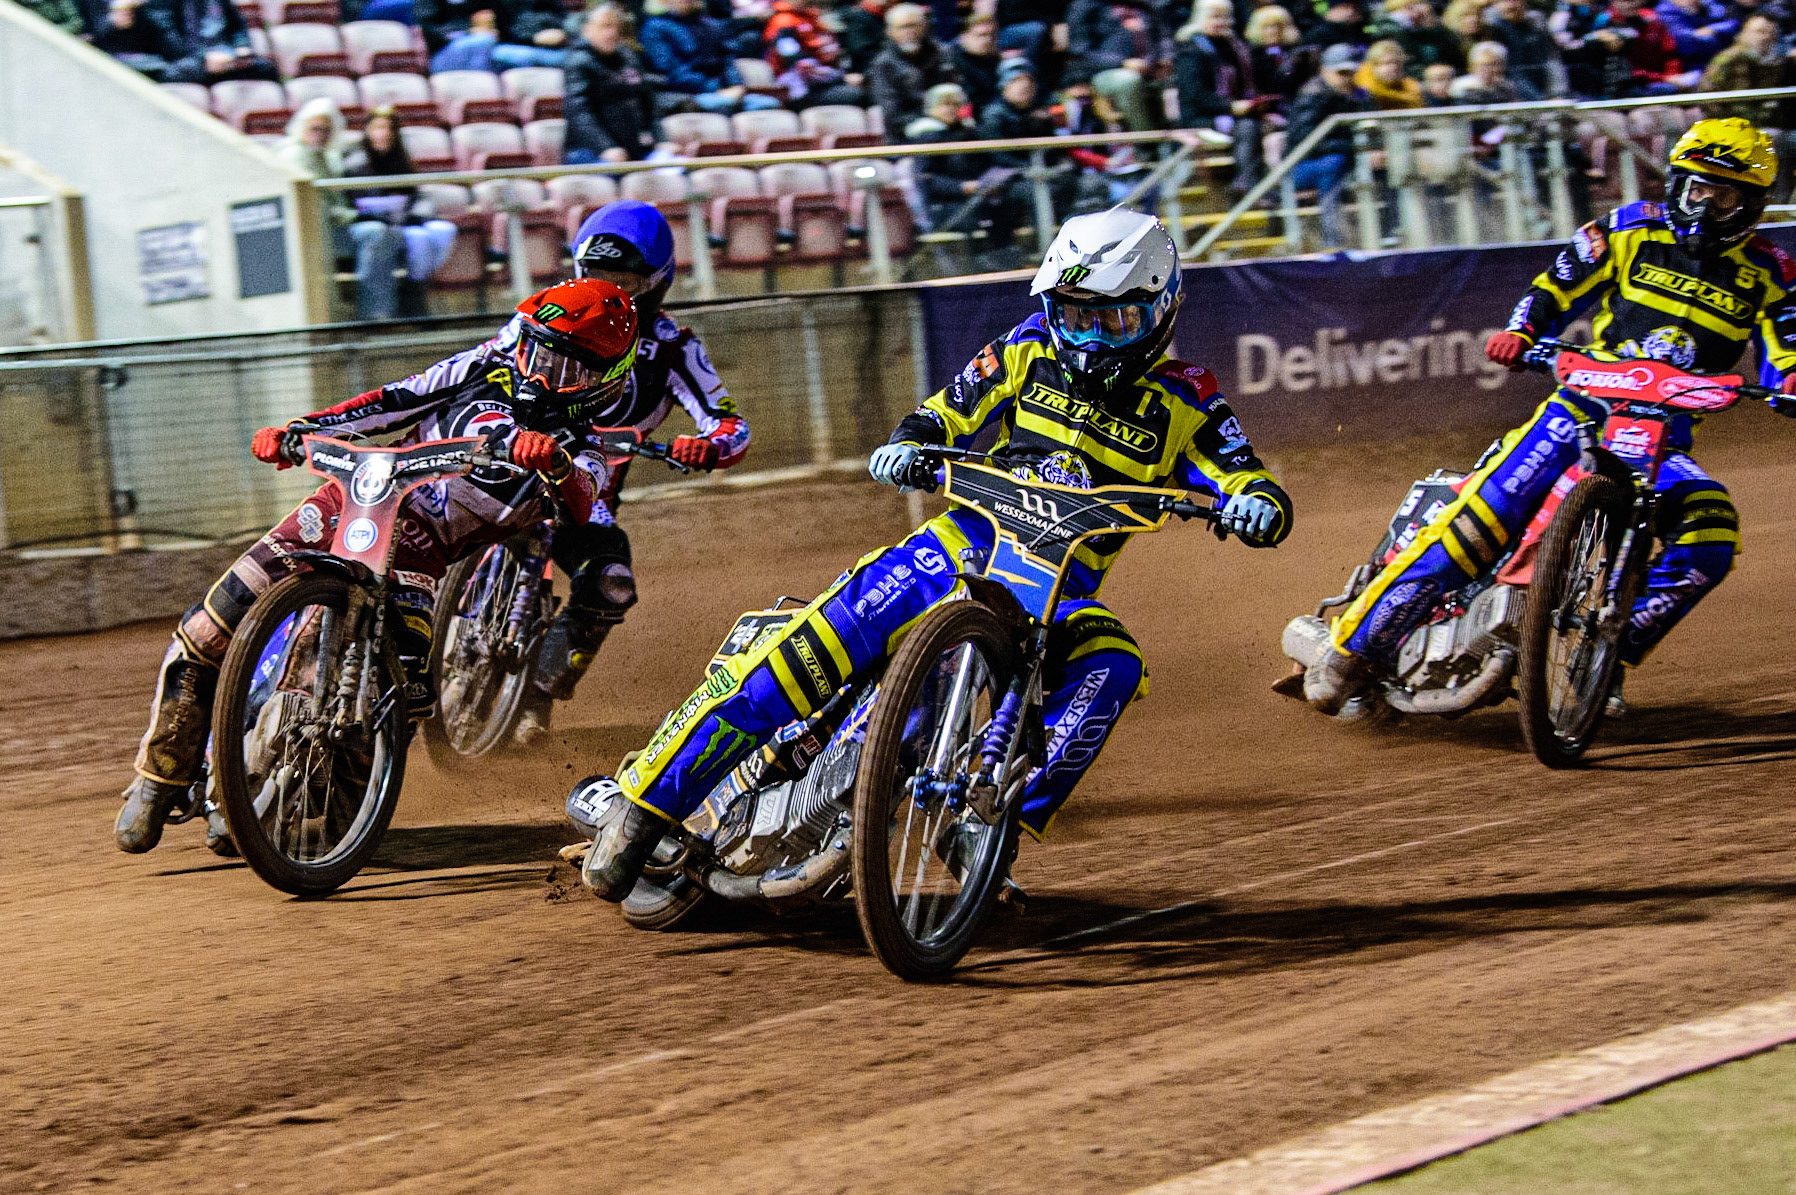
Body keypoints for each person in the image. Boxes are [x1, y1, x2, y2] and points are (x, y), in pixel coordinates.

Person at [569, 209, 1293, 903]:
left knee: (1114, 664)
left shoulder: (1187, 398)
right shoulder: (1028, 346)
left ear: (1160, 311)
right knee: (804, 652)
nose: (1090, 339)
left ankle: (986, 818)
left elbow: (1240, 469)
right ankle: (642, 807)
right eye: (1076, 315)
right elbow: (947, 410)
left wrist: (1256, 502)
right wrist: (910, 442)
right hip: (959, 547)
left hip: (1060, 589)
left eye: (1112, 320)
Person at [116, 279, 641, 855]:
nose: (543, 376)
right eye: (540, 354)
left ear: (602, 381)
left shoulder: (584, 440)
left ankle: (331, 795)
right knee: (207, 627)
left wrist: (560, 468)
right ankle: (157, 778)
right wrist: (302, 429)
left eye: (568, 369)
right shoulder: (485, 364)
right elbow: (394, 398)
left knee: (407, 693)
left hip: (419, 557)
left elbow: (587, 502)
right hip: (348, 501)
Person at [1305, 119, 1796, 717]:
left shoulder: (1772, 271)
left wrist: (1788, 382)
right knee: (1483, 517)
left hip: (1662, 439)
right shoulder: (1629, 226)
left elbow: (1786, 348)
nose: (1705, 204)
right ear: (1677, 183)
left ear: (1752, 203)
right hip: (1581, 409)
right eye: (1696, 188)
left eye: (1723, 195)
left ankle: (1606, 655)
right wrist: (1522, 331)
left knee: (1711, 535)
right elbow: (1553, 287)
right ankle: (1355, 649)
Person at [277, 99, 412, 324]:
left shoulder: (326, 156)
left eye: (327, 130)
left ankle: (383, 311)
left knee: (382, 231)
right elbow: (317, 206)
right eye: (315, 128)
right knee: (375, 232)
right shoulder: (295, 156)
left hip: (335, 226)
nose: (321, 134)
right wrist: (356, 215)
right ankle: (374, 315)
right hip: (315, 232)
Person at [341, 107, 461, 318]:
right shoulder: (354, 163)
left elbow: (417, 195)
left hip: (406, 220)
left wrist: (415, 214)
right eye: (378, 127)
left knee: (442, 230)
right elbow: (355, 203)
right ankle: (413, 300)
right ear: (367, 130)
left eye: (389, 128)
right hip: (379, 224)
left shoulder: (402, 159)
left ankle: (414, 287)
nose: (384, 133)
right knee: (418, 239)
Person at [1176, 0, 1278, 192]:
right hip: (1202, 118)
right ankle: (1248, 186)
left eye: (1225, 17)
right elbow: (1195, 94)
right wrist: (1231, 107)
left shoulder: (1235, 48)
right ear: (1201, 18)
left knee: (1273, 123)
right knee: (1248, 127)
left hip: (1235, 113)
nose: (1221, 22)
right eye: (1215, 16)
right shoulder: (1191, 50)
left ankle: (1277, 185)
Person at [1284, 42, 1374, 245]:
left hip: (1349, 160)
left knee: (1390, 163)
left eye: (1351, 73)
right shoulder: (1311, 96)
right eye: (1341, 73)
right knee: (1333, 163)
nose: (1347, 78)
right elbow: (1306, 141)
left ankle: (1390, 231)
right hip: (1303, 165)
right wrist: (1354, 149)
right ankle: (1332, 239)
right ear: (1325, 70)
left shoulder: (1360, 95)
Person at [641, 0, 782, 114]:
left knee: (769, 104)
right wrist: (715, 89)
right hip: (685, 94)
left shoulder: (713, 25)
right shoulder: (655, 28)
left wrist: (736, 85)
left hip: (724, 92)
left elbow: (728, 61)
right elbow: (672, 72)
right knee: (723, 105)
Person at [562, 1, 659, 163]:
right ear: (587, 30)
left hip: (634, 148)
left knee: (678, 170)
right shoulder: (578, 62)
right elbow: (579, 112)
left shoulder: (628, 57)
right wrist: (605, 147)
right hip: (590, 150)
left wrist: (662, 140)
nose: (612, 33)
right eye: (605, 26)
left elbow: (649, 104)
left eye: (616, 27)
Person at [1065, 0, 1174, 129]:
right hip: (1103, 72)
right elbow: (1080, 51)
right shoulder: (1085, 6)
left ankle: (1178, 139)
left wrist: (1165, 59)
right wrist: (1123, 63)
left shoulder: (1147, 5)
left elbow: (1164, 36)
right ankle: (1145, 139)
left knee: (1184, 71)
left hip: (1150, 67)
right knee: (1128, 80)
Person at [868, 2, 961, 140]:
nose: (909, 32)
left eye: (913, 25)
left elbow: (958, 90)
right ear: (890, 32)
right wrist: (932, 116)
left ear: (925, 26)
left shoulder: (943, 54)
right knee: (932, 134)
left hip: (951, 122)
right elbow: (893, 114)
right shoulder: (883, 64)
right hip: (907, 135)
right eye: (903, 27)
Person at [132, 0, 279, 83]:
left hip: (227, 57)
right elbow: (169, 41)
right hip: (193, 60)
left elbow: (238, 27)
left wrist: (242, 47)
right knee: (175, 72)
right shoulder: (161, 4)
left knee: (266, 68)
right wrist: (204, 57)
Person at [416, 0, 571, 71]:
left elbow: (503, 23)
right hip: (445, 53)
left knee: (572, 57)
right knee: (484, 41)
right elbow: (430, 29)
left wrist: (565, 33)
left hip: (491, 47)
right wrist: (468, 32)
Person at [1484, 0, 1561, 97]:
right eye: (1504, 1)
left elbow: (1552, 60)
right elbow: (1510, 72)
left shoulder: (1536, 22)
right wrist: (1539, 98)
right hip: (1508, 91)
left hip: (1543, 85)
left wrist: (1558, 93)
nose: (1510, 5)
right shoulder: (1490, 28)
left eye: (1515, 1)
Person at [1369, 0, 1466, 76]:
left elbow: (1453, 59)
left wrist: (1433, 26)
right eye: (1408, 8)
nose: (1414, 14)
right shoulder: (1387, 29)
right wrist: (1400, 24)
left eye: (1416, 6)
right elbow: (1372, 30)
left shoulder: (1435, 33)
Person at [1244, 5, 1317, 101]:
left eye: (1277, 26)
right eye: (1266, 27)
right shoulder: (1252, 55)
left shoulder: (1295, 52)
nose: (1273, 31)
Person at [1656, 0, 1737, 72]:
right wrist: (1717, 35)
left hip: (1717, 60)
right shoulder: (1665, 11)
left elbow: (1734, 23)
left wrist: (1711, 29)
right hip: (1688, 66)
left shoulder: (1706, 4)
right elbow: (1686, 42)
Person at [1355, 37, 1422, 106]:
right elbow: (1372, 89)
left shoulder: (1410, 85)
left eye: (1397, 63)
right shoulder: (1362, 83)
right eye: (1387, 63)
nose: (1394, 67)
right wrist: (1405, 98)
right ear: (1373, 65)